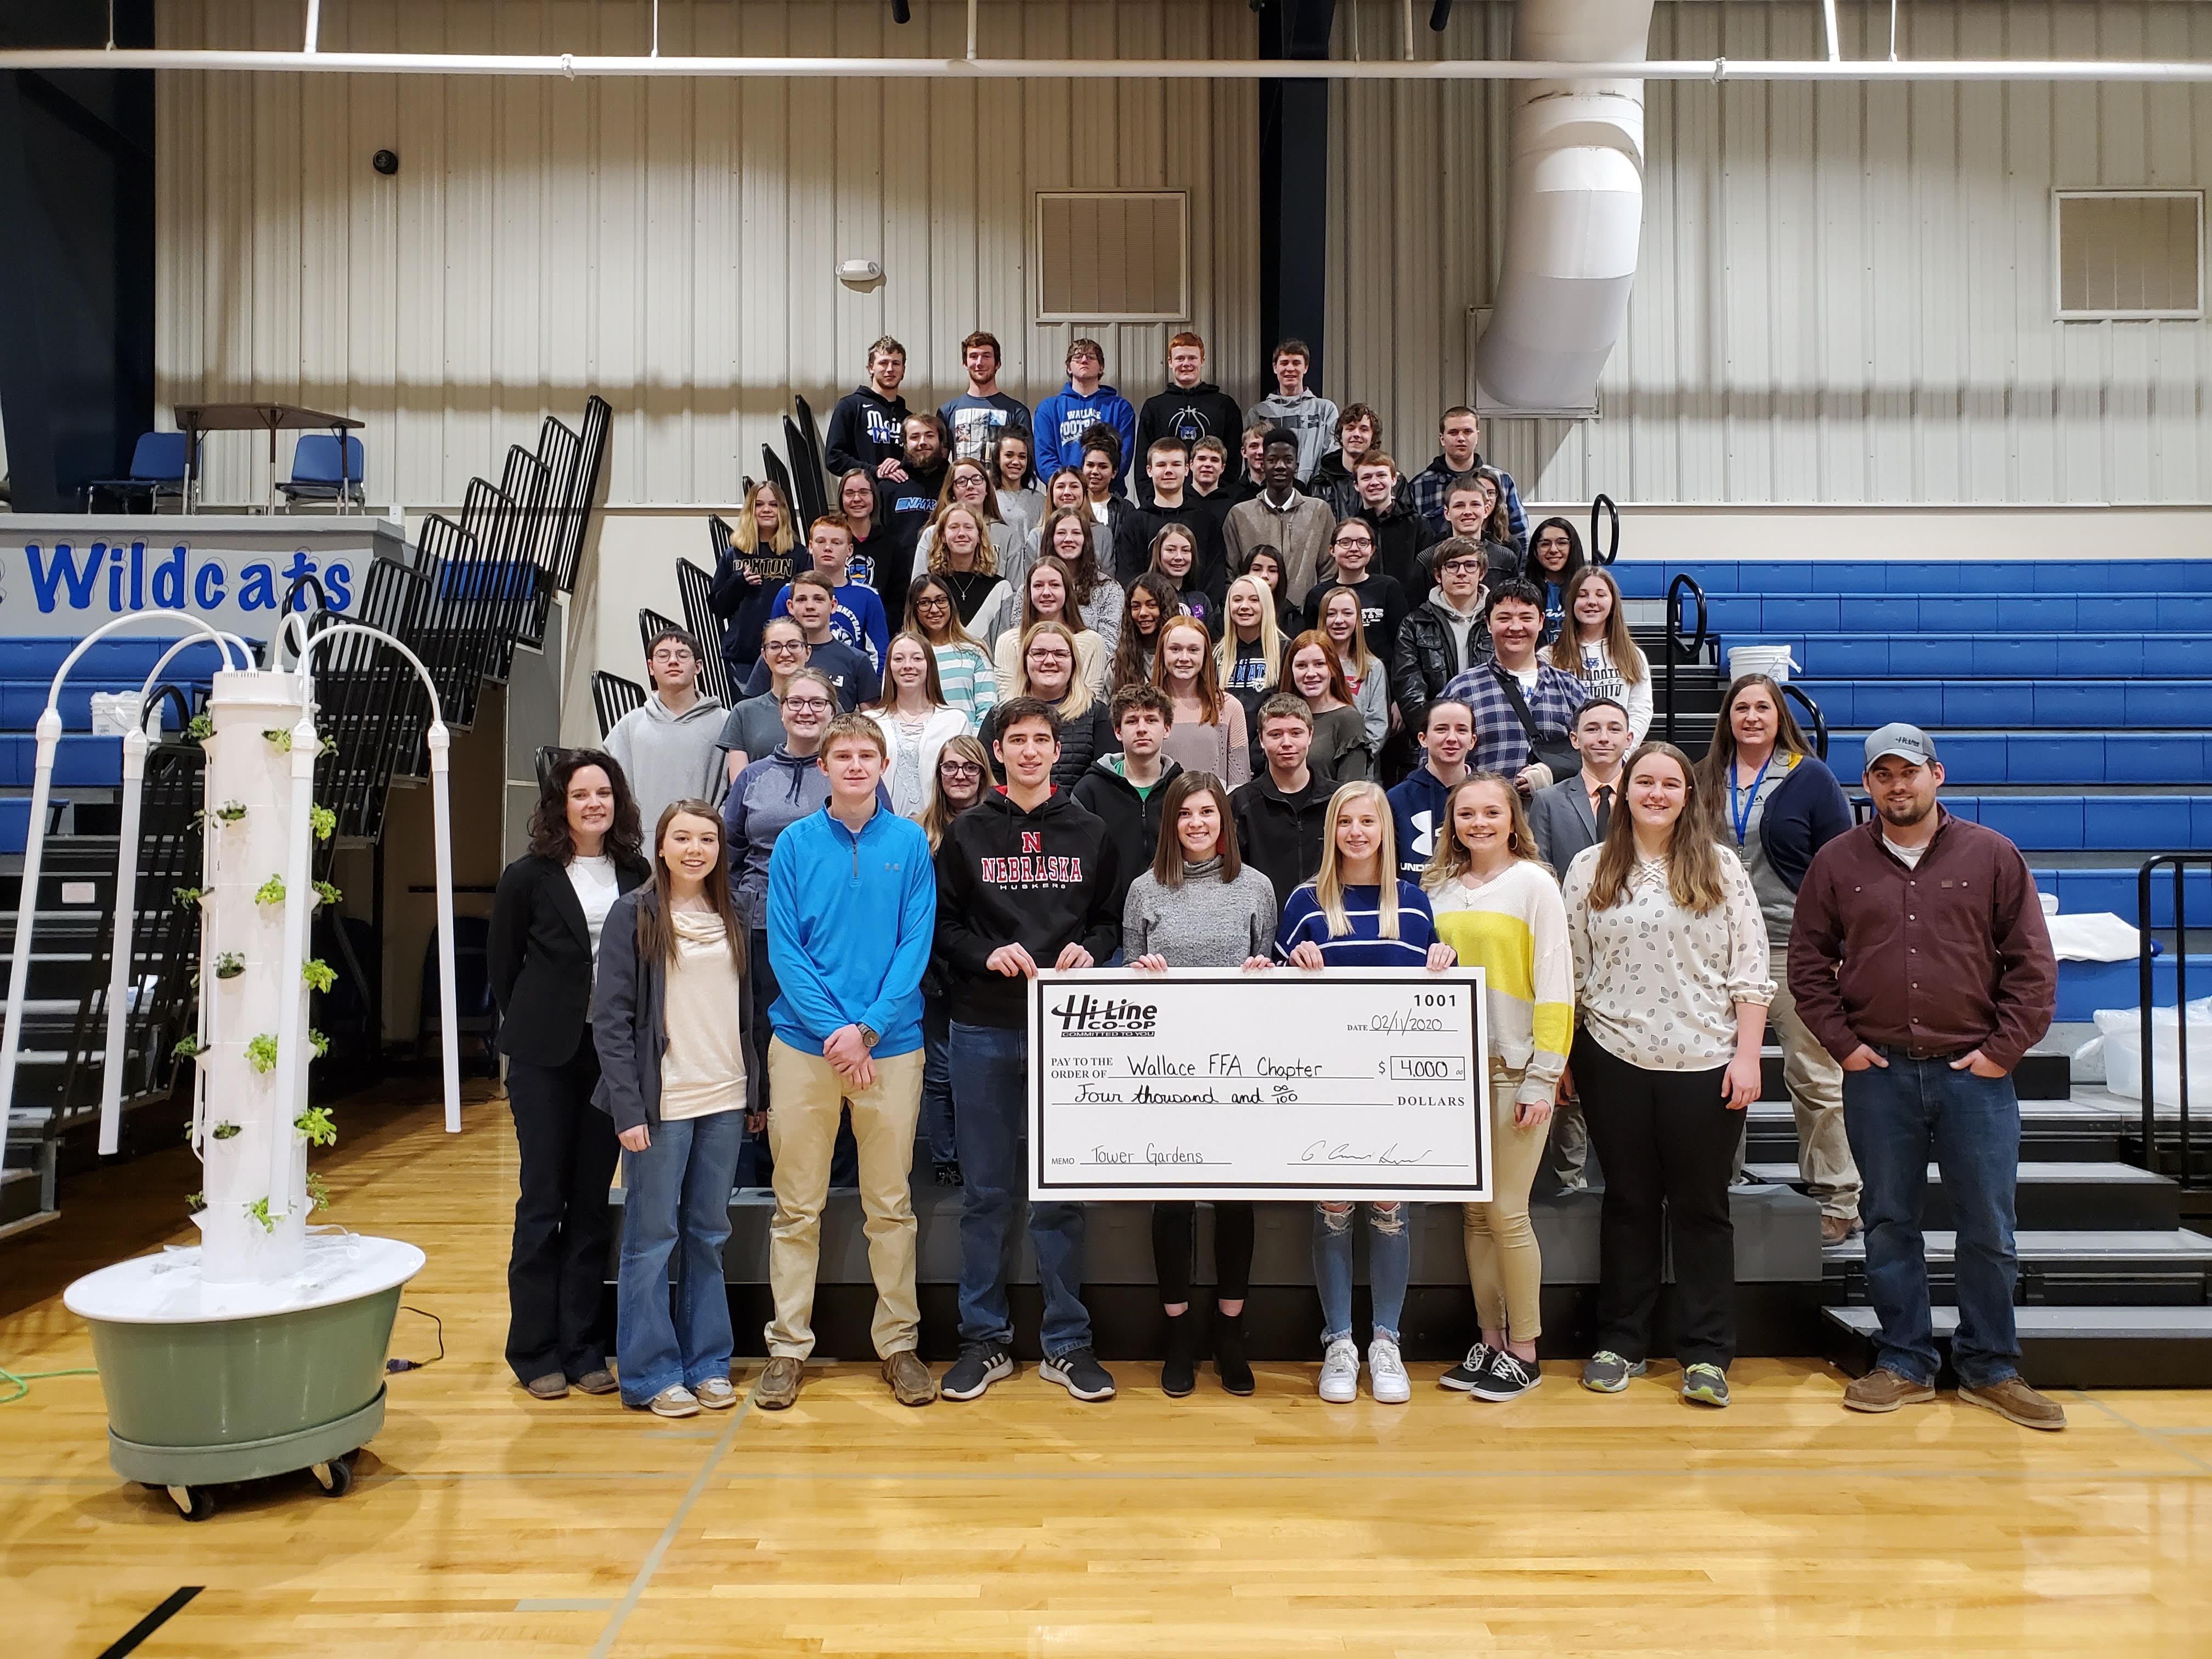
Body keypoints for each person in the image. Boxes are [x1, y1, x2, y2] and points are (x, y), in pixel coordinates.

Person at [1790, 724, 2062, 1430]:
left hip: (1976, 1076)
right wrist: (1845, 1046)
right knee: (1888, 1224)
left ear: (1937, 775)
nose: (1897, 785)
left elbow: (2032, 965)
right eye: (1882, 774)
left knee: (1989, 1228)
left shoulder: (1992, 854)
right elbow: (1808, 966)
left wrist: (2003, 1052)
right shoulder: (1837, 862)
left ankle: (1991, 1366)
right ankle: (1905, 1360)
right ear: (1867, 785)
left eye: (1908, 771)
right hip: (1878, 1075)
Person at [1563, 741, 1770, 1408]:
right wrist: (1563, 1056)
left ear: (1688, 796)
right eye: (1644, 781)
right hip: (1611, 1055)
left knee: (1702, 1209)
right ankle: (1621, 1342)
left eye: (1670, 784)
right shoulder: (1590, 867)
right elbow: (1571, 971)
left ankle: (1706, 1353)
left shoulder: (1722, 866)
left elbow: (1751, 969)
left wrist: (1748, 1055)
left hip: (1706, 1062)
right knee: (1627, 1202)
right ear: (1624, 791)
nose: (1656, 793)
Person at [934, 697, 1123, 1403]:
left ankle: (1067, 1344)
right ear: (1000, 751)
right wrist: (986, 955)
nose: (1031, 751)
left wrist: (1091, 948)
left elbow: (1109, 920)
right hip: (983, 1025)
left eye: (1042, 739)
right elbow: (944, 928)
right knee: (986, 1194)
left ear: (1056, 749)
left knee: (1060, 1195)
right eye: (1017, 740)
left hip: (1067, 1031)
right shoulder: (968, 833)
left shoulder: (1090, 829)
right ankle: (982, 1341)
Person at [755, 714, 939, 1412]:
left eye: (867, 755)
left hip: (890, 1047)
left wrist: (868, 1029)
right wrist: (837, 1030)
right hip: (806, 1048)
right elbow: (785, 950)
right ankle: (787, 1347)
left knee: (890, 1206)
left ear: (884, 766)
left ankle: (899, 1345)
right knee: (796, 1207)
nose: (856, 765)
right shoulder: (795, 844)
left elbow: (914, 944)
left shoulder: (910, 844)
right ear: (824, 766)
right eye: (844, 756)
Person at [1276, 780, 1455, 1404]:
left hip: (1394, 1091)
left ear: (1385, 830)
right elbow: (1273, 1000)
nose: (1357, 832)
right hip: (1324, 1085)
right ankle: (1338, 1343)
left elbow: (1433, 993)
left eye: (1368, 821)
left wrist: (1444, 964)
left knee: (1388, 1207)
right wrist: (1292, 967)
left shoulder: (1415, 903)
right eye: (1346, 822)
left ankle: (1386, 1341)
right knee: (1332, 1209)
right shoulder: (1304, 903)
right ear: (1332, 831)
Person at [489, 750, 650, 1402]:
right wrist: (544, 1021)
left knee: (590, 1203)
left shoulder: (637, 871)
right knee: (542, 1200)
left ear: (618, 801)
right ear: (560, 804)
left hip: (610, 1056)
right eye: (580, 794)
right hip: (544, 1058)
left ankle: (584, 1347)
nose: (593, 804)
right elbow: (504, 969)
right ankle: (533, 1350)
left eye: (603, 793)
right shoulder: (526, 876)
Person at [593, 798, 757, 1418]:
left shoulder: (735, 911)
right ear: (661, 847)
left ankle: (708, 1363)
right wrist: (628, 1109)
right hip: (661, 1103)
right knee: (651, 1239)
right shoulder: (633, 913)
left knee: (708, 1236)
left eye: (707, 839)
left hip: (725, 1097)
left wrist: (757, 1094)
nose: (695, 850)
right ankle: (650, 1374)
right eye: (683, 838)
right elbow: (611, 1021)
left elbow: (748, 1009)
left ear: (720, 849)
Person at [1125, 770, 1277, 1396]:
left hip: (1240, 1070)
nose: (1196, 823)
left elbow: (1271, 977)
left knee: (1237, 1202)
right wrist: (1140, 971)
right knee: (1173, 1203)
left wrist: (1264, 972)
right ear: (1171, 823)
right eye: (1185, 814)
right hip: (1164, 1073)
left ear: (1224, 822)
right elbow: (1126, 977)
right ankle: (1180, 1335)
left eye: (1207, 813)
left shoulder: (1256, 887)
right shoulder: (1144, 890)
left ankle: (1230, 1335)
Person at [1423, 774, 1573, 1403]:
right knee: (1475, 1215)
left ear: (1513, 819)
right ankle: (1489, 1341)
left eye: (1491, 812)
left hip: (1515, 1070)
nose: (1479, 823)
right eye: (1466, 814)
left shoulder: (1536, 885)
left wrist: (1544, 1075)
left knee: (1509, 1212)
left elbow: (1557, 986)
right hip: (1455, 1074)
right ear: (1451, 823)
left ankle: (1526, 1352)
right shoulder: (1436, 890)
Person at [1694, 674, 1858, 1242]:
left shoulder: (1810, 776)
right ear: (1727, 717)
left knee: (1814, 1076)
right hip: (1718, 951)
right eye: (1741, 707)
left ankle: (1838, 1199)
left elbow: (1842, 865)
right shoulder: (1704, 776)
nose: (1751, 717)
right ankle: (1721, 1190)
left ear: (1779, 716)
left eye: (1762, 707)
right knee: (1717, 1076)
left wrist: (1841, 945)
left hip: (1794, 947)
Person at [723, 669, 855, 1188]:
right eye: (795, 702)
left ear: (833, 710)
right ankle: (767, 1155)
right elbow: (730, 850)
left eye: (817, 703)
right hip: (760, 926)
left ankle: (838, 1164)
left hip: (831, 929)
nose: (805, 711)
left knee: (828, 1028)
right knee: (765, 1033)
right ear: (780, 711)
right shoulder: (753, 777)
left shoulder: (848, 769)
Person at [1525, 695, 1633, 1197]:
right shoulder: (1550, 801)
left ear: (1629, 738)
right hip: (1569, 942)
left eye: (1613, 728)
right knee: (1567, 1058)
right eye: (1592, 729)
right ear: (1575, 739)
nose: (1603, 737)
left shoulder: (1644, 795)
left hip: (1634, 949)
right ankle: (1570, 1180)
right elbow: (1540, 867)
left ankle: (1623, 1176)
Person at [917, 735, 995, 1185]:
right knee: (941, 1072)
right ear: (938, 774)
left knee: (981, 1076)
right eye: (950, 767)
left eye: (970, 768)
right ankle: (946, 1158)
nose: (960, 775)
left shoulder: (1000, 826)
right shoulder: (919, 832)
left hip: (984, 964)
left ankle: (980, 1157)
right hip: (933, 967)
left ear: (984, 774)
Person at [1440, 580, 1588, 794]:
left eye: (1526, 618)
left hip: (1557, 813)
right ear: (1488, 623)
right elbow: (1435, 763)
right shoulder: (1461, 690)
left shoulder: (1570, 689)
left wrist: (1552, 771)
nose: (1516, 627)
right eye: (1504, 618)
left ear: (1541, 621)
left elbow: (1598, 756)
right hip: (1485, 811)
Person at [1073, 684, 1183, 919]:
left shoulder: (1182, 789)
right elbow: (1077, 866)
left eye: (1151, 720)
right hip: (1107, 922)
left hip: (1174, 918)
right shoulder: (1089, 791)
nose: (1142, 729)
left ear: (1167, 728)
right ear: (1118, 731)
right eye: (1132, 721)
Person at [605, 627, 727, 828]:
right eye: (663, 655)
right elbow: (608, 783)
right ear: (651, 667)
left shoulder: (725, 722)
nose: (673, 661)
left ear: (698, 667)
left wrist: (716, 827)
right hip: (642, 841)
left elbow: (739, 787)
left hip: (705, 839)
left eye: (683, 655)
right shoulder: (631, 725)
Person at [979, 622, 1118, 788]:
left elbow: (1105, 780)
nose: (1050, 661)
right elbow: (987, 775)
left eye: (1060, 654)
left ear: (1074, 662)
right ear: (1024, 661)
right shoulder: (998, 715)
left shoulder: (1097, 714)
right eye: (1039, 653)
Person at [1233, 694, 1336, 904]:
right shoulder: (1240, 804)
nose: (1286, 743)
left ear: (1310, 735)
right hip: (1265, 919)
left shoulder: (1337, 800)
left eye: (1296, 733)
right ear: (1261, 739)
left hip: (1328, 917)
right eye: (1276, 734)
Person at [1393, 536, 1492, 742]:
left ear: (1481, 573)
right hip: (1437, 740)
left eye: (1470, 565)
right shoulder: (1414, 624)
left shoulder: (1498, 621)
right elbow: (1409, 692)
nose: (1461, 573)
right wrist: (1440, 732)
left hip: (1490, 732)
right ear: (1438, 575)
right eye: (1452, 566)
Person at [981, 509, 1121, 654]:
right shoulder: (1029, 588)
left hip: (1090, 665)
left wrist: (1066, 660)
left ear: (1086, 540)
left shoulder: (1109, 589)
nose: (1068, 539)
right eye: (1061, 533)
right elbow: (1020, 638)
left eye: (1076, 533)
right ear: (1051, 538)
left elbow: (1108, 648)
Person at [1223, 426, 1335, 607]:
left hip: (1306, 617)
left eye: (1288, 460)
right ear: (1263, 464)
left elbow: (1329, 572)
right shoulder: (1240, 515)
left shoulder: (1319, 512)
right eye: (1272, 460)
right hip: (1254, 615)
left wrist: (1316, 610)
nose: (1280, 466)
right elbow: (1231, 575)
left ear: (1296, 466)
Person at [868, 633, 972, 821]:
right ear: (889, 667)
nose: (908, 665)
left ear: (930, 665)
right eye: (899, 659)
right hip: (882, 829)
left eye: (917, 658)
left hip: (942, 827)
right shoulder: (870, 722)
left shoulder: (955, 721)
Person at [741, 571, 878, 707]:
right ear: (790, 606)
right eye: (802, 600)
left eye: (819, 599)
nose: (810, 607)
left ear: (833, 606)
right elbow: (752, 711)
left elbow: (870, 717)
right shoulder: (775, 656)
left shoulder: (857, 660)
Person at [1135, 331, 1243, 504]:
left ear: (1202, 361)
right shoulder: (1154, 407)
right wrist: (1150, 500)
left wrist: (1222, 498)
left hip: (1213, 502)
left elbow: (1233, 460)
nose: (1186, 364)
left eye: (1192, 358)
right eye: (1180, 359)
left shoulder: (1224, 406)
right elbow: (1143, 460)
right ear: (1170, 362)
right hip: (1166, 502)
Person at [708, 479, 799, 685]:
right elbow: (717, 608)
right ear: (750, 510)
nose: (767, 510)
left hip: (786, 653)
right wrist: (739, 582)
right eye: (759, 505)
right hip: (743, 655)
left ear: (783, 510)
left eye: (774, 504)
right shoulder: (733, 555)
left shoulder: (798, 554)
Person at [771, 517, 889, 672]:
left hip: (849, 681)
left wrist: (871, 686)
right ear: (811, 546)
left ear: (850, 550)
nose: (828, 548)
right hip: (797, 681)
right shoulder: (789, 593)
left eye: (836, 543)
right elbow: (773, 645)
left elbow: (880, 655)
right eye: (821, 541)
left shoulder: (868, 596)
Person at [1118, 436, 1231, 597]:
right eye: (1161, 465)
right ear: (1149, 470)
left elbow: (1214, 580)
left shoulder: (1206, 522)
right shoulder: (1134, 522)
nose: (1169, 471)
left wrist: (1196, 608)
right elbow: (1128, 577)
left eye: (1176, 464)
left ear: (1187, 469)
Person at [1550, 567, 1651, 743]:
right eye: (1582, 595)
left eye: (1600, 595)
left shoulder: (1634, 655)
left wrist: (1622, 751)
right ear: (1572, 603)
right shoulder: (1549, 656)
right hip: (1569, 754)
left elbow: (1641, 711)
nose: (1591, 602)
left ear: (1613, 603)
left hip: (1618, 754)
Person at [988, 556, 1111, 697]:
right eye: (1038, 586)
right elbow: (1008, 701)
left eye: (1054, 585)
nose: (1046, 593)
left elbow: (1091, 702)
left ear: (1067, 591)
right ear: (1029, 592)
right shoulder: (1009, 642)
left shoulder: (1093, 642)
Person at [1408, 405, 1526, 549]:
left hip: (1496, 561)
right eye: (1453, 432)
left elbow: (1520, 534)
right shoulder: (1419, 486)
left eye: (1468, 432)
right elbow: (1412, 539)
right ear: (1442, 439)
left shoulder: (1502, 481)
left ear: (1477, 436)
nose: (1461, 438)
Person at [1153, 614, 1249, 788]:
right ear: (1162, 653)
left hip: (1214, 805)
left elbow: (1239, 784)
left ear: (1205, 655)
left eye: (1193, 650)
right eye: (1175, 649)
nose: (1184, 658)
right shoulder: (1145, 707)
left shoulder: (1229, 707)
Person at [1386, 697, 1476, 880]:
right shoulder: (1396, 799)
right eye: (1441, 729)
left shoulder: (1489, 797)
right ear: (1423, 739)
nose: (1452, 738)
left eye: (1461, 730)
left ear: (1472, 741)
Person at [1304, 517, 1409, 672]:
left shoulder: (1388, 587)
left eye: (1362, 542)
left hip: (1381, 677)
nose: (1354, 549)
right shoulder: (1318, 595)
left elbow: (1402, 645)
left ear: (1372, 550)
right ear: (1332, 550)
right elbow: (1311, 644)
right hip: (1331, 676)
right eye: (1345, 542)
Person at [719, 616, 809, 785]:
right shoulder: (744, 712)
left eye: (793, 645)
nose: (785, 653)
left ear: (808, 652)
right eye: (775, 647)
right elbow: (740, 784)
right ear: (764, 655)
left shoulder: (829, 708)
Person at [1035, 336, 1137, 485]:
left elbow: (1123, 457)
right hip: (1065, 494)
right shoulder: (1049, 409)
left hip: (1107, 493)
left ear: (1101, 367)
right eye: (1077, 357)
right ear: (1069, 368)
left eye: (1091, 357)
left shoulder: (1120, 408)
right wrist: (1072, 486)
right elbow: (1044, 458)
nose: (1084, 361)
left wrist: (1097, 483)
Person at [905, 573, 998, 730]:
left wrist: (972, 743)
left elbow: (987, 709)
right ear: (914, 609)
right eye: (925, 603)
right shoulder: (905, 657)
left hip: (967, 742)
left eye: (941, 601)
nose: (934, 609)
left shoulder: (975, 651)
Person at [1283, 629, 1373, 785]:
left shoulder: (1348, 719)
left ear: (1333, 669)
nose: (1311, 673)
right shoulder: (1280, 718)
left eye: (1319, 664)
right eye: (1302, 666)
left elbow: (1351, 790)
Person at [1347, 452, 1438, 603]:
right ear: (1356, 485)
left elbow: (1428, 575)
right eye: (1366, 478)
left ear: (1394, 479)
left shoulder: (1418, 525)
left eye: (1381, 475)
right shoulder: (1351, 530)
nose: (1374, 482)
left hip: (1411, 610)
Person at [879, 411, 951, 605]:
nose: (922, 442)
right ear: (904, 443)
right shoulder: (889, 486)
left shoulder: (955, 484)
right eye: (915, 437)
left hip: (947, 585)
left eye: (929, 436)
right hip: (898, 589)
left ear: (941, 442)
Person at [1313, 586, 1391, 759]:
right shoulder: (1311, 666)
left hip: (1360, 767)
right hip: (1316, 764)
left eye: (1347, 613)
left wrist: (1354, 760)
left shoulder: (1373, 667)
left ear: (1358, 620)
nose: (1339, 620)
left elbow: (1378, 726)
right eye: (1331, 614)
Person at [1248, 338, 1339, 484]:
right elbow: (1253, 459)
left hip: (1315, 492)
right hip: (1269, 491)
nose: (1290, 369)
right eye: (1284, 363)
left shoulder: (1325, 410)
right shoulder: (1259, 413)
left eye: (1296, 363)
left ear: (1306, 367)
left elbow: (1332, 456)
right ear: (1275, 368)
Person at [938, 329, 1031, 465]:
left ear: (998, 364)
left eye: (986, 356)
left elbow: (1025, 464)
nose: (979, 363)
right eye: (974, 356)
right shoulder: (947, 412)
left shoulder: (1017, 412)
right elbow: (939, 466)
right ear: (965, 363)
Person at [913, 455, 1017, 578]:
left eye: (977, 479)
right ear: (952, 492)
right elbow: (919, 585)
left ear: (987, 488)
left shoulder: (1006, 535)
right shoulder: (932, 534)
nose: (970, 486)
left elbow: (1016, 587)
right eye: (962, 481)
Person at [825, 335, 911, 479]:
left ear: (903, 370)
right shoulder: (850, 406)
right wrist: (874, 471)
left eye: (896, 364)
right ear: (871, 368)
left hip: (899, 492)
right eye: (884, 363)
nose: (890, 369)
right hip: (863, 491)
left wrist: (902, 465)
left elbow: (919, 461)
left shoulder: (909, 419)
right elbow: (834, 458)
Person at [1217, 572, 1286, 727]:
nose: (1244, 606)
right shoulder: (1217, 654)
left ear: (1266, 605)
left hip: (1269, 738)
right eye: (1237, 600)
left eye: (1254, 600)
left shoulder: (1285, 650)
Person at [921, 501, 1005, 625]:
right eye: (954, 527)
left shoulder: (1000, 588)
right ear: (943, 536)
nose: (961, 534)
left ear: (979, 536)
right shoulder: (928, 587)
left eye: (968, 527)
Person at [1441, 469, 1523, 589]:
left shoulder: (1506, 557)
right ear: (1447, 513)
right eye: (1459, 506)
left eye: (1475, 504)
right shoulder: (1429, 557)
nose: (1467, 512)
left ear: (1486, 509)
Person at [1111, 571, 1183, 691]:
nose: (1143, 613)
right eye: (1136, 607)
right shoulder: (1118, 663)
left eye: (1152, 605)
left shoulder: (1182, 658)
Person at [1309, 401, 1384, 516]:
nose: (1357, 434)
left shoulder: (1392, 483)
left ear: (1373, 437)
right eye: (1350, 428)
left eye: (1364, 429)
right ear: (1340, 435)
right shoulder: (1320, 485)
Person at [1522, 516, 1585, 647]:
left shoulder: (1587, 588)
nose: (1553, 550)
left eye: (1562, 543)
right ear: (1535, 551)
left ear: (1572, 547)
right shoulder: (1522, 591)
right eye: (1545, 544)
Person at [1146, 522, 1216, 635]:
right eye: (1171, 550)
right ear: (1158, 553)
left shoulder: (1201, 600)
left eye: (1185, 550)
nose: (1179, 557)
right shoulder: (1147, 597)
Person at [834, 468, 895, 591]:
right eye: (849, 493)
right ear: (841, 498)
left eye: (864, 492)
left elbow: (899, 596)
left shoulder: (891, 546)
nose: (857, 499)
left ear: (874, 497)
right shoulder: (830, 542)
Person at [990, 430, 1046, 545]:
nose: (1016, 462)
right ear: (998, 458)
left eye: (1022, 457)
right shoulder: (989, 497)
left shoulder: (1040, 500)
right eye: (1009, 455)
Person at [1238, 543, 1305, 636]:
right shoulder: (1233, 611)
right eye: (1257, 569)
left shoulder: (1292, 618)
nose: (1264, 576)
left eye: (1272, 571)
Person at [1189, 435, 1249, 511]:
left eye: (1214, 460)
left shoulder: (1233, 508)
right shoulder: (1179, 502)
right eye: (1202, 459)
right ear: (1191, 464)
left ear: (1222, 468)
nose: (1208, 465)